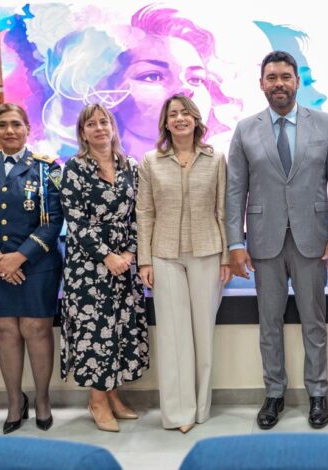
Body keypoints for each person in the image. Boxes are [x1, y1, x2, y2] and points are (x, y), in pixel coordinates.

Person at [225, 50, 328, 430]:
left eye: (286, 77)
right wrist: (235, 243)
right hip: (264, 241)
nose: (279, 83)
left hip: (313, 239)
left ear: (297, 81)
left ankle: (318, 394)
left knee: (314, 321)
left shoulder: (324, 124)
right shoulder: (245, 129)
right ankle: (274, 393)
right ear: (261, 83)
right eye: (272, 77)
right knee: (269, 323)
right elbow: (235, 191)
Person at [0, 103, 63, 434]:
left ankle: (43, 400)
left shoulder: (46, 169)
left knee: (36, 329)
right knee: (5, 331)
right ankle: (14, 402)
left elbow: (53, 221)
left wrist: (19, 257)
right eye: (2, 124)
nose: (9, 130)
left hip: (37, 265)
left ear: (27, 128)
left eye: (16, 124)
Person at [136, 94, 231, 433]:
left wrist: (226, 257)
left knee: (203, 334)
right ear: (165, 122)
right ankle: (179, 413)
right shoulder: (151, 161)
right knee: (174, 337)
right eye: (173, 114)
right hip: (164, 255)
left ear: (196, 120)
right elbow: (144, 212)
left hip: (207, 252)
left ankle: (201, 408)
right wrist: (144, 261)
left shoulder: (216, 158)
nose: (179, 118)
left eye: (185, 113)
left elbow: (223, 211)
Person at [37, 6, 241, 158]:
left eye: (195, 79)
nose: (184, 90)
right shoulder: (87, 169)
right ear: (105, 89)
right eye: (152, 76)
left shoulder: (219, 162)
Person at [60, 104, 149, 433]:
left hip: (124, 263)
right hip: (88, 266)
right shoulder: (74, 168)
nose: (99, 128)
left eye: (104, 122)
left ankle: (112, 394)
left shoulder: (130, 166)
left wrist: (129, 251)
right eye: (91, 124)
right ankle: (96, 401)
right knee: (96, 331)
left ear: (113, 127)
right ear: (82, 133)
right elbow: (76, 221)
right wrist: (106, 256)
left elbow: (141, 212)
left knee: (120, 329)